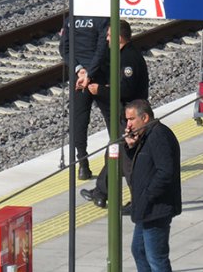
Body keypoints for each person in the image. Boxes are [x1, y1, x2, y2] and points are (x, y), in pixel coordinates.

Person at [79, 20, 150, 211]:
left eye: (109, 35)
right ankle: (101, 192)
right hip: (128, 114)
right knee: (114, 153)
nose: (107, 39)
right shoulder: (123, 55)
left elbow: (125, 90)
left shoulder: (128, 59)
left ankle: (137, 201)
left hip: (132, 116)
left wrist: (100, 90)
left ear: (119, 37)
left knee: (126, 160)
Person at [124, 99, 181, 272]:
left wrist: (147, 195)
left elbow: (166, 171)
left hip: (156, 208)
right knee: (139, 250)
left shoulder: (158, 136)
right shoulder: (145, 135)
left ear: (145, 117)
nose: (128, 124)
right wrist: (131, 146)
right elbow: (141, 164)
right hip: (145, 207)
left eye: (132, 119)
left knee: (156, 257)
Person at [59, 15, 110, 180]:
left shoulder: (70, 19)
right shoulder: (102, 18)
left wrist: (79, 70)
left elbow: (64, 49)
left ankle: (83, 165)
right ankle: (119, 159)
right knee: (112, 117)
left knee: (79, 121)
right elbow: (102, 48)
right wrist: (90, 73)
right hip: (100, 76)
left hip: (78, 79)